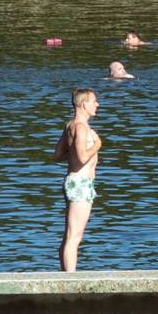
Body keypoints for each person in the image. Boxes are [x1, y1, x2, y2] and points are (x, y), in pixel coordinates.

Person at [57, 89, 101, 271]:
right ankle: (70, 280)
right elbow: (82, 158)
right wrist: (98, 144)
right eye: (94, 101)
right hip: (81, 183)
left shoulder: (70, 125)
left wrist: (73, 153)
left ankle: (65, 276)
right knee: (74, 236)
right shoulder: (81, 128)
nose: (97, 105)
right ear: (84, 104)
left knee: (70, 235)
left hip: (75, 181)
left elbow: (57, 154)